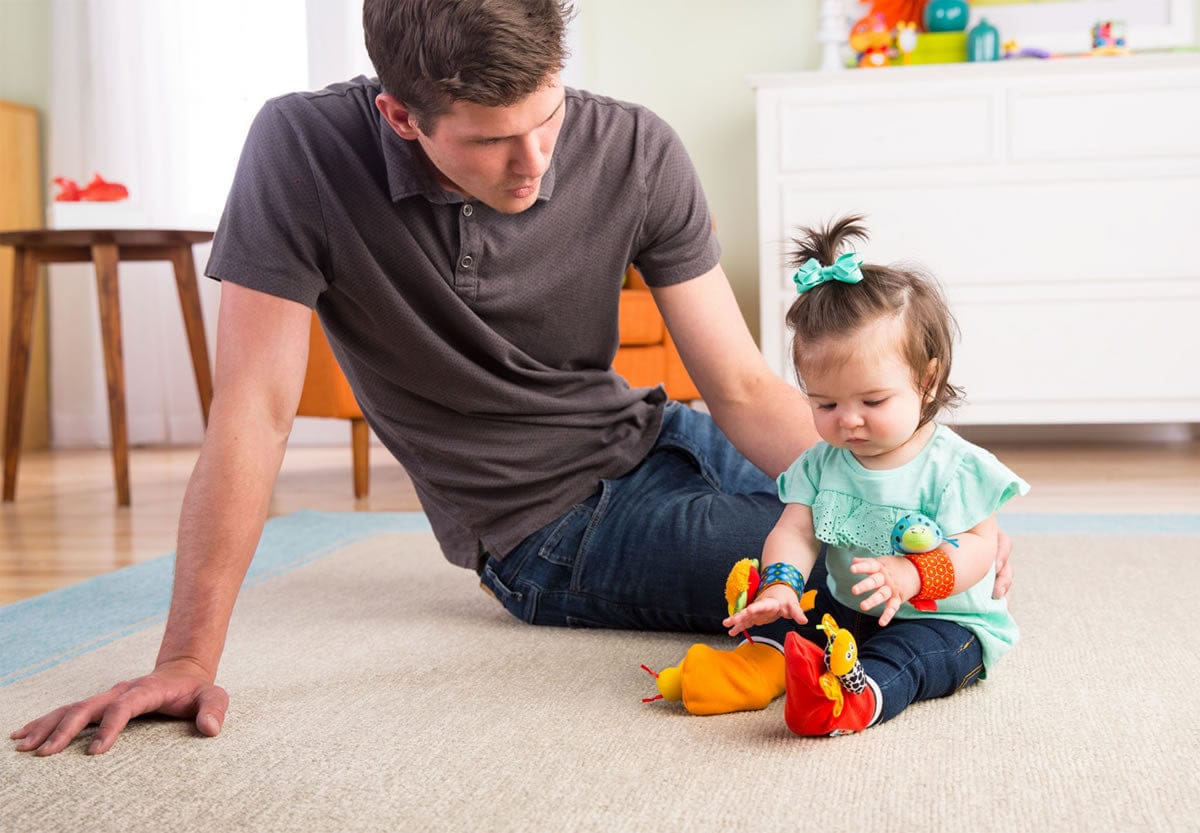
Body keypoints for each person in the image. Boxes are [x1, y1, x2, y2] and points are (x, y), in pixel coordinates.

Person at [11, 1, 1011, 757]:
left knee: (900, 537)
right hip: (549, 527)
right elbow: (254, 412)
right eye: (491, 140)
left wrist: (884, 494)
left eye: (547, 118)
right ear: (400, 114)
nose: (533, 162)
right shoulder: (301, 150)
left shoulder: (635, 146)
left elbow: (747, 385)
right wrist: (187, 654)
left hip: (663, 434)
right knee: (859, 594)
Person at [723, 215, 1028, 736]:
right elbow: (795, 530)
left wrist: (911, 576)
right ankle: (763, 669)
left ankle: (859, 702)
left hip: (945, 623)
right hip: (851, 610)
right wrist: (779, 585)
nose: (848, 419)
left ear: (927, 381)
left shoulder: (955, 469)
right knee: (797, 627)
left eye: (873, 400)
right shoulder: (822, 464)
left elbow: (980, 548)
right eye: (825, 403)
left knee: (907, 658)